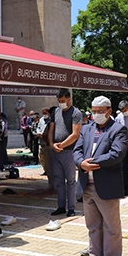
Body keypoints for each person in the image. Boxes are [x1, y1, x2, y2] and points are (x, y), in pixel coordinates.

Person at [73, 96, 128, 256]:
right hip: (86, 185)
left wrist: (93, 162)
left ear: (109, 111)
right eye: (94, 111)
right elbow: (77, 150)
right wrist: (81, 163)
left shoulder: (118, 129)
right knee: (93, 226)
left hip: (106, 186)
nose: (96, 115)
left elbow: (117, 153)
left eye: (100, 112)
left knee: (111, 226)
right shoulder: (86, 129)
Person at [48, 88, 82, 217]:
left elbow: (75, 134)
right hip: (56, 150)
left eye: (63, 100)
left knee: (71, 180)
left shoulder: (76, 113)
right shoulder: (56, 112)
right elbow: (51, 129)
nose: (61, 103)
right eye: (59, 101)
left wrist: (61, 145)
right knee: (59, 180)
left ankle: (71, 208)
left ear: (69, 99)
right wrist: (52, 144)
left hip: (69, 151)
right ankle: (61, 206)